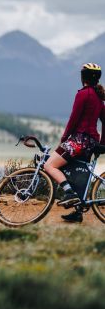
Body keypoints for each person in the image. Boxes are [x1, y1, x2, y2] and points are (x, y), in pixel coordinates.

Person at [44, 62, 105, 223]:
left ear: (83, 77)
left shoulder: (83, 94)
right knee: (80, 174)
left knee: (49, 165)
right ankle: (78, 212)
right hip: (92, 142)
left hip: (79, 140)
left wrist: (64, 138)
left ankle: (69, 193)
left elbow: (73, 119)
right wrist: (103, 143)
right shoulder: (99, 98)